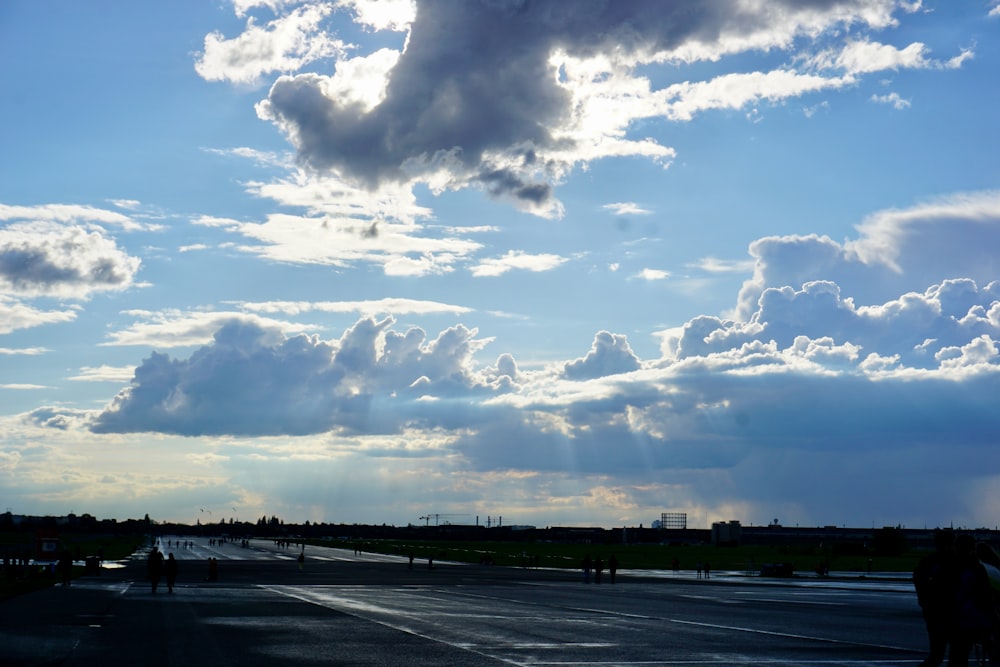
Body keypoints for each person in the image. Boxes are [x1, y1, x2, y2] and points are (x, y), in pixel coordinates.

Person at [948, 534, 997, 667]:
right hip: (977, 617)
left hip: (959, 618)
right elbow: (986, 596)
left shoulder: (951, 568)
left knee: (957, 656)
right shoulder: (978, 568)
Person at [914, 529, 956, 667]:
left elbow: (918, 581)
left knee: (936, 655)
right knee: (956, 655)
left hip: (933, 610)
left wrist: (924, 601)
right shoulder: (956, 561)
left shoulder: (928, 561)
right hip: (953, 611)